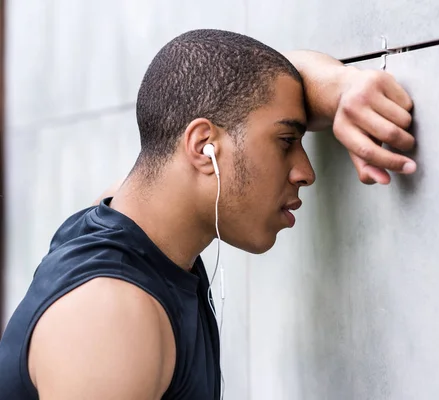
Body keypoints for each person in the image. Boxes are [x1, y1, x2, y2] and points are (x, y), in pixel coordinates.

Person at [0, 29, 415, 399]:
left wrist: (344, 89)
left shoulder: (122, 216)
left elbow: (252, 79)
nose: (305, 172)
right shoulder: (110, 317)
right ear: (203, 146)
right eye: (286, 140)